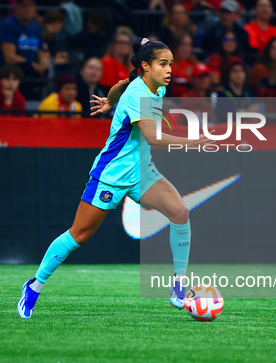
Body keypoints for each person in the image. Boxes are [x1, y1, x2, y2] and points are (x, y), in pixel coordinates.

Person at [16, 37, 214, 319]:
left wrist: (109, 101)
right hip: (112, 175)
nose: (170, 70)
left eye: (171, 64)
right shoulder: (139, 94)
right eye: (163, 64)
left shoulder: (150, 85)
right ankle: (34, 286)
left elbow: (124, 82)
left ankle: (179, 285)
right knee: (79, 235)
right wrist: (192, 142)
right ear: (146, 66)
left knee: (180, 213)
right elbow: (152, 135)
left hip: (142, 172)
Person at [0, 0, 50, 81]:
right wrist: (32, 65)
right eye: (24, 5)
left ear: (35, 8)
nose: (28, 9)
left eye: (31, 5)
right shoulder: (7, 25)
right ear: (17, 7)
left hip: (32, 73)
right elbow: (10, 57)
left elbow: (42, 51)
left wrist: (44, 64)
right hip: (11, 74)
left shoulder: (36, 27)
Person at [170, 31, 198, 97]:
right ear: (176, 46)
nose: (186, 49)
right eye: (182, 45)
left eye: (189, 45)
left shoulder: (196, 65)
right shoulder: (169, 66)